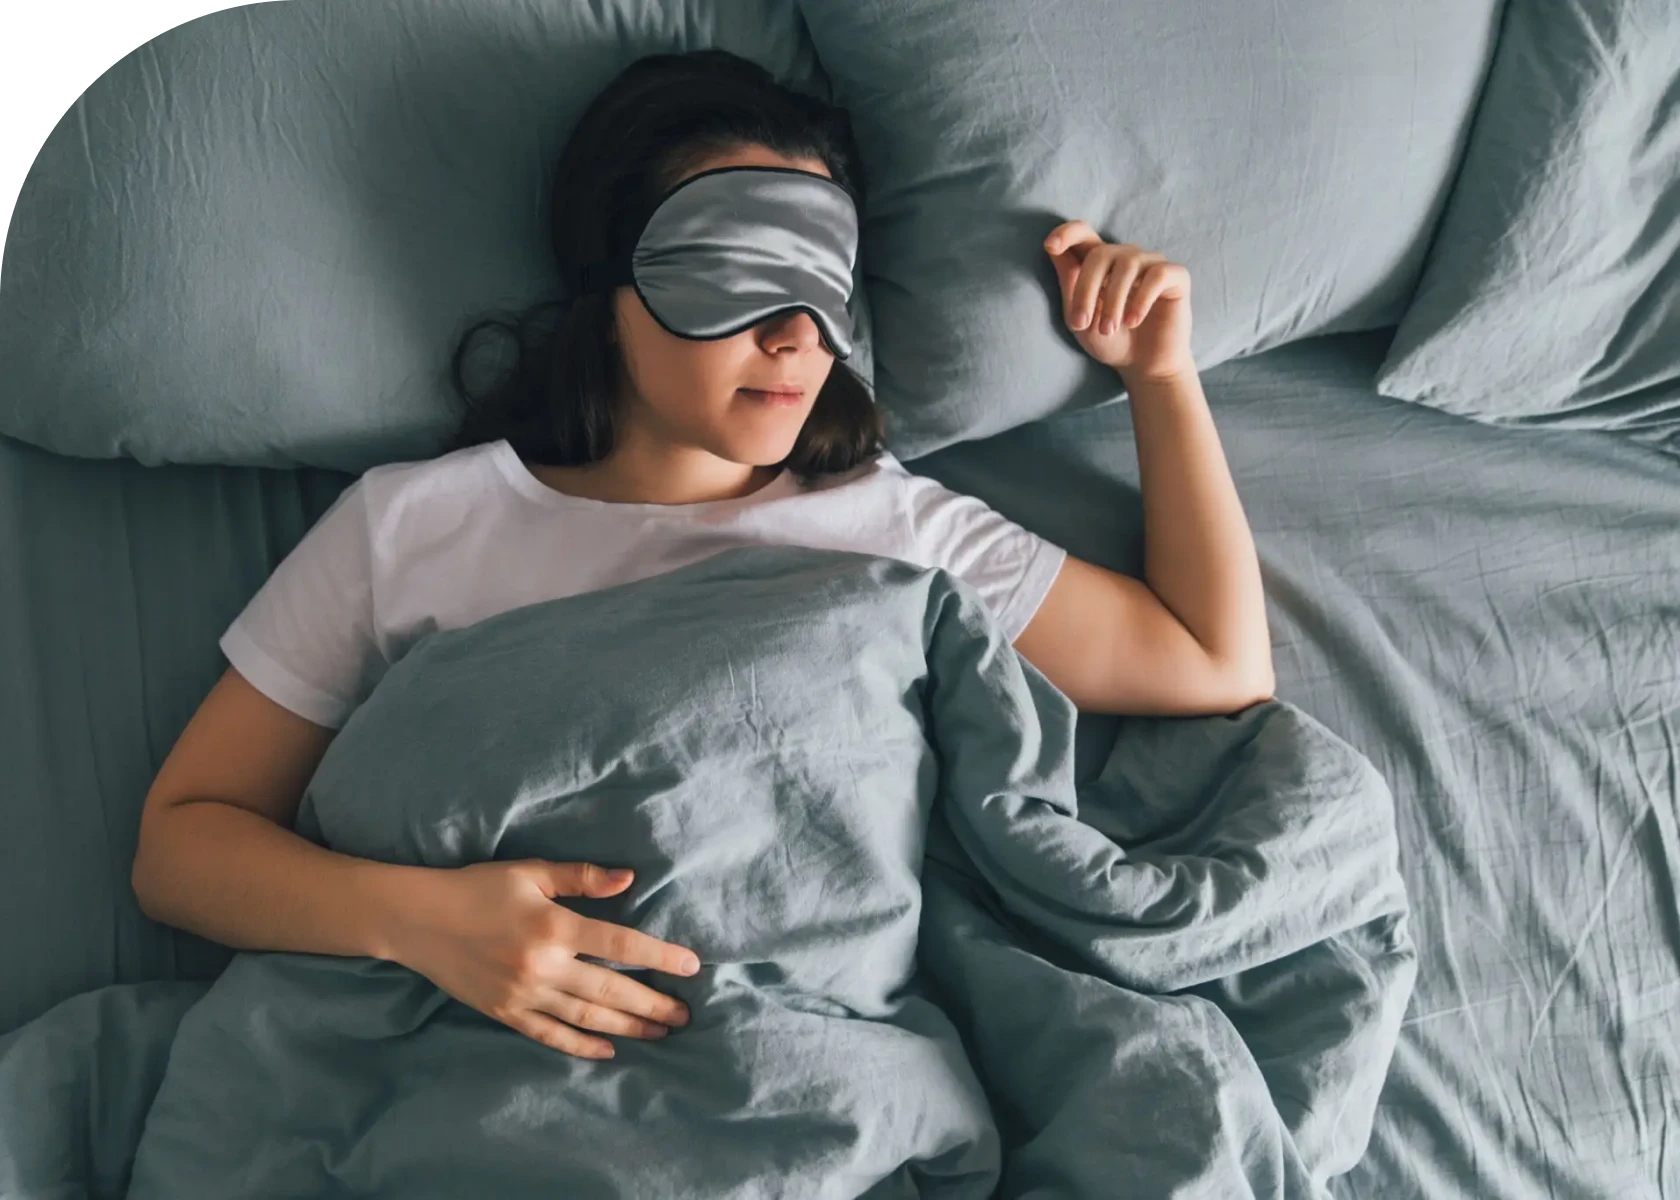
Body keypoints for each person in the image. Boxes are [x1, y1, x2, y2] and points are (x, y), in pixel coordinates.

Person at [132, 48, 1272, 1065]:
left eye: (822, 280)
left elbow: (1213, 662)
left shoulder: (892, 527)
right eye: (735, 268)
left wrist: (1161, 379)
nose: (793, 334)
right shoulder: (409, 527)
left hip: (805, 1061)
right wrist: (424, 921)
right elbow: (181, 846)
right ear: (610, 287)